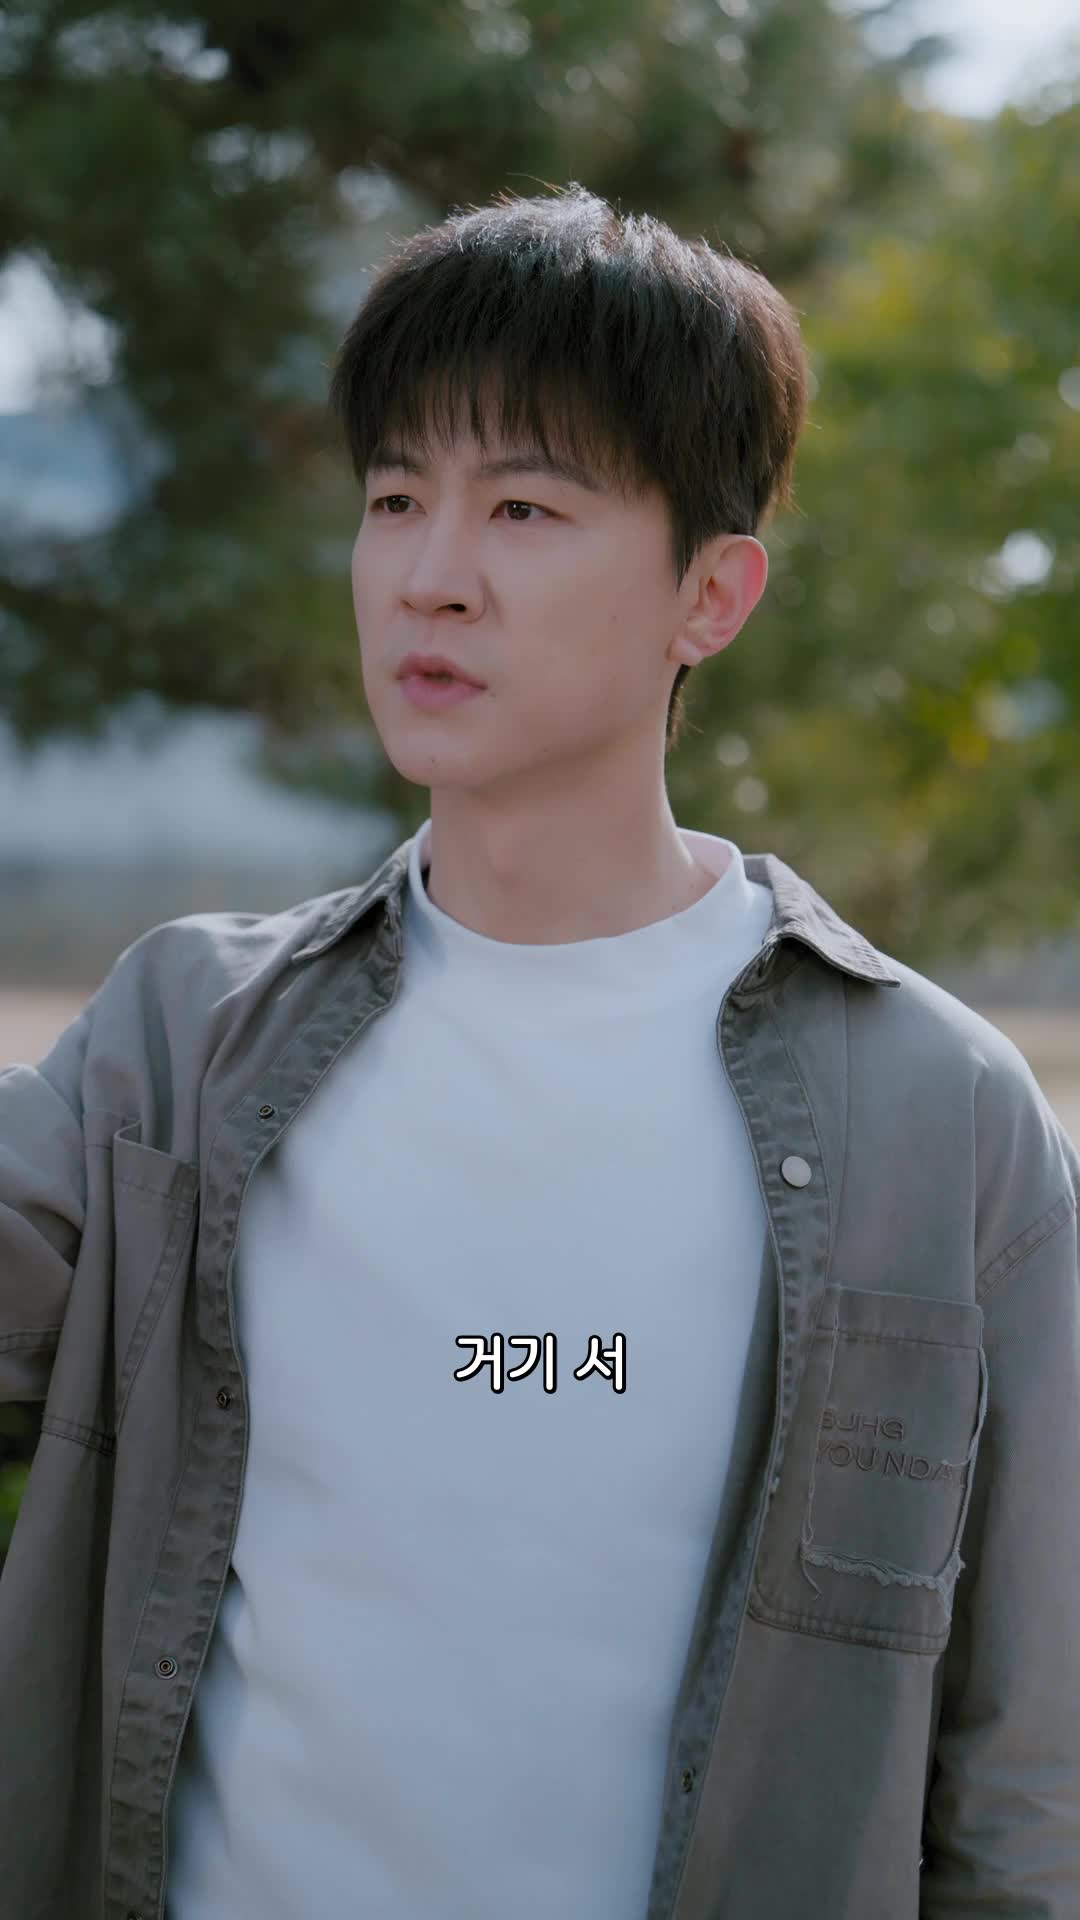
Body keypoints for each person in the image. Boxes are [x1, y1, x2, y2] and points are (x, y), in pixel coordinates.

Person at [0, 182, 1077, 1920]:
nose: (431, 577)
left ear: (711, 595)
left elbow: (1032, 1779)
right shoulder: (183, 1043)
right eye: (394, 500)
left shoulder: (936, 1117)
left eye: (523, 507)